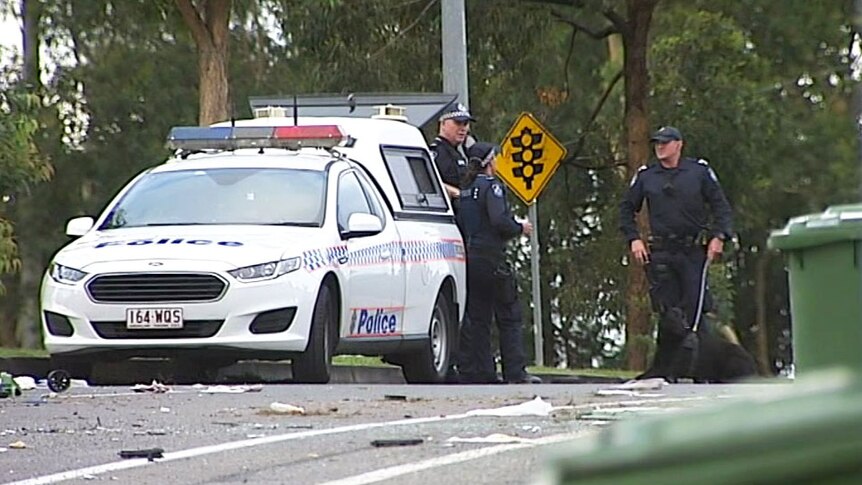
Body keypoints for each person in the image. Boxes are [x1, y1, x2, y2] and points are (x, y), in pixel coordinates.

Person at [619, 126, 733, 378]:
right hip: (661, 251)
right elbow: (626, 209)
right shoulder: (647, 176)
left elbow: (721, 207)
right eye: (657, 143)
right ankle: (666, 371)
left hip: (692, 251)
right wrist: (634, 239)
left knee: (695, 310)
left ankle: (705, 370)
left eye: (665, 143)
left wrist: (719, 236)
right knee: (668, 313)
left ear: (678, 144)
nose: (660, 147)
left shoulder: (698, 172)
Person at [458, 142, 542, 384]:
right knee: (509, 315)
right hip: (491, 257)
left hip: (470, 258)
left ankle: (482, 371)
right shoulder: (491, 186)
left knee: (479, 317)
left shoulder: (466, 190)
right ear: (488, 162)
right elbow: (499, 221)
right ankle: (515, 371)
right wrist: (519, 227)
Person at [429, 102, 474, 215]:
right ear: (443, 123)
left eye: (466, 123)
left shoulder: (458, 152)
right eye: (458, 123)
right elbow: (428, 181)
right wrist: (456, 193)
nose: (463, 128)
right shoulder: (437, 152)